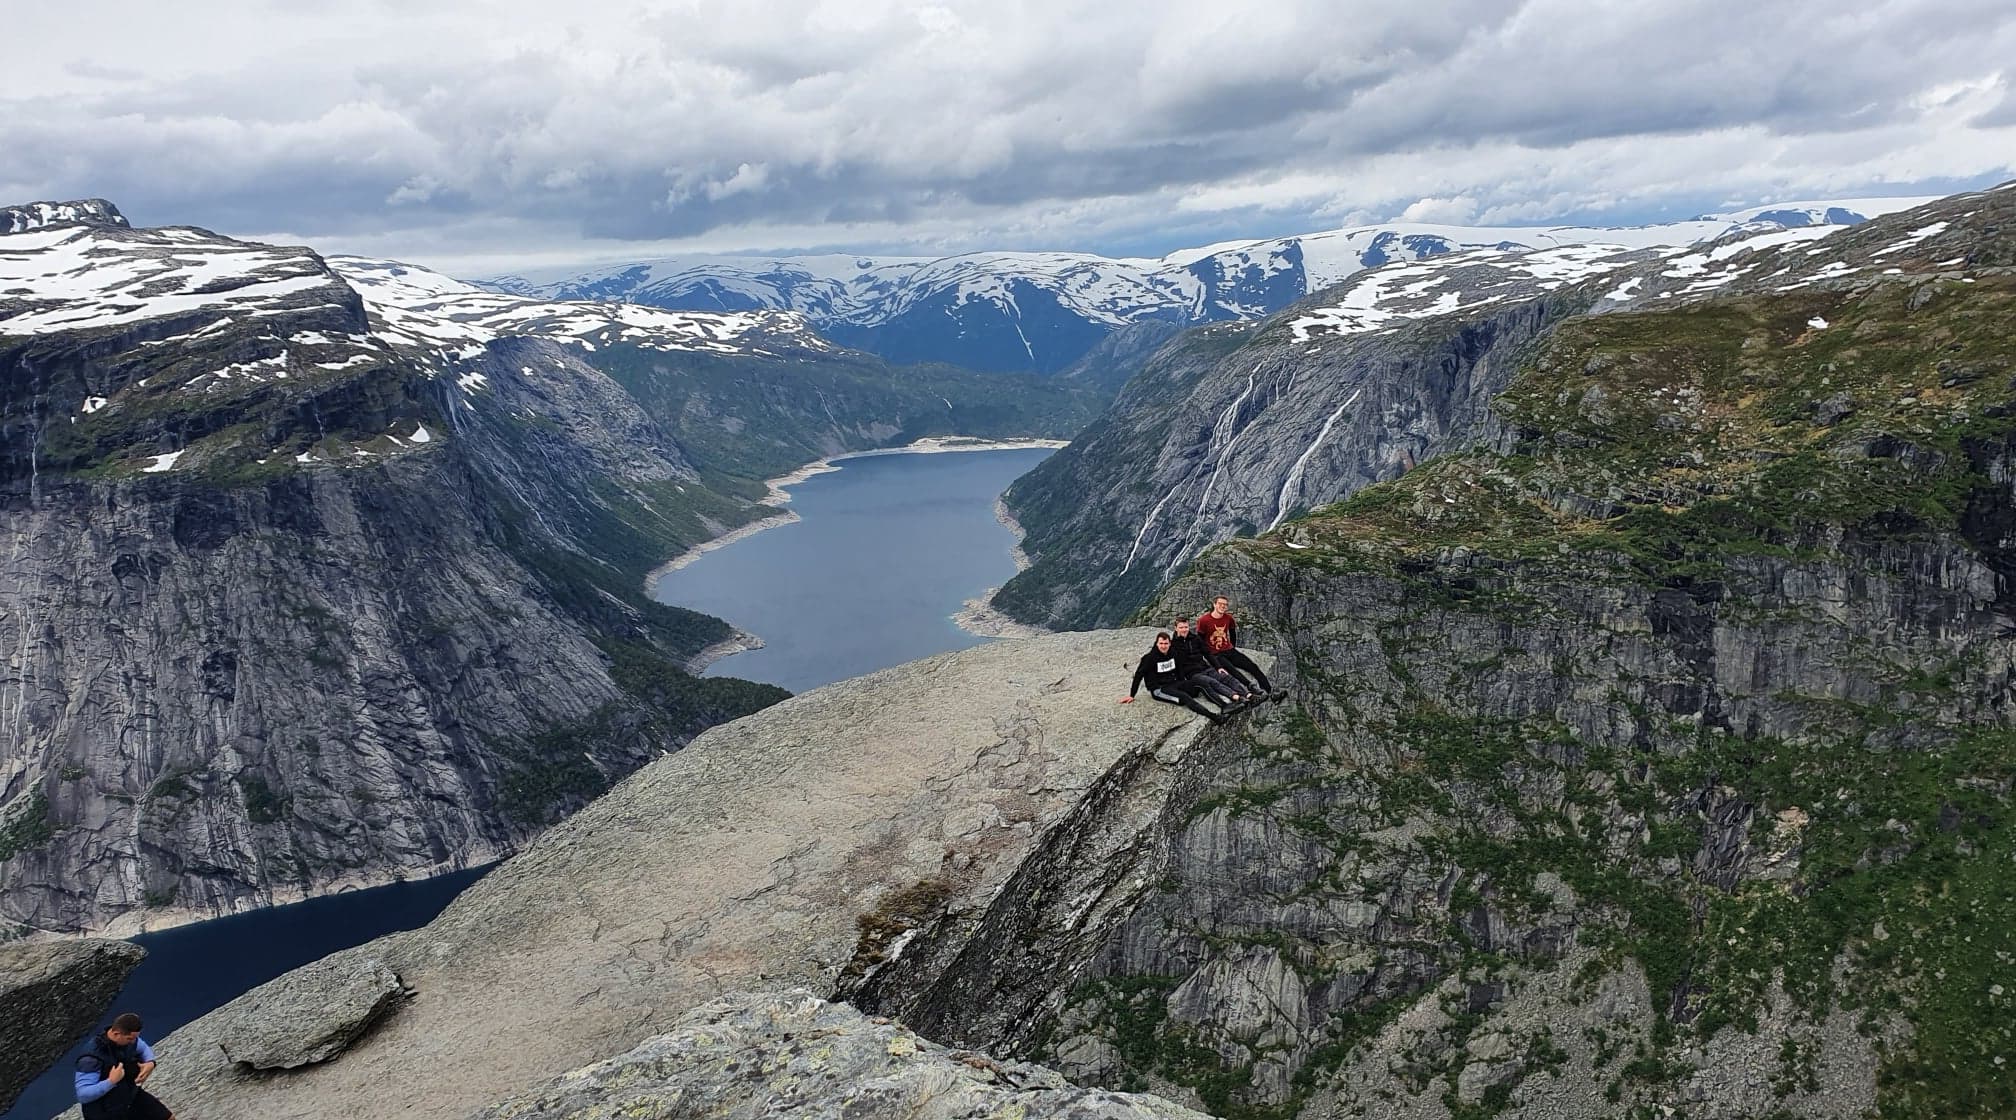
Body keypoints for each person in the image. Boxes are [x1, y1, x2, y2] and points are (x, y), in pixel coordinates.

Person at [75, 1012, 173, 1120]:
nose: (133, 1042)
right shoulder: (90, 1059)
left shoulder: (129, 1041)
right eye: (130, 1039)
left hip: (129, 1096)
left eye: (135, 1038)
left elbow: (143, 1048)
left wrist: (150, 1062)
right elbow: (83, 1095)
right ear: (116, 1034)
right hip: (104, 1111)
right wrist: (111, 1081)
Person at [1120, 632, 1227, 724]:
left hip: (1174, 683)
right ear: (1156, 644)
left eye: (1166, 643)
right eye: (1161, 643)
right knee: (1185, 697)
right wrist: (1132, 695)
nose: (1163, 646)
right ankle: (1214, 717)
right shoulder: (1149, 658)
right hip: (1159, 689)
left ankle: (1224, 706)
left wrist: (1184, 683)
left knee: (1200, 683)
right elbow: (1139, 675)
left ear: (1170, 643)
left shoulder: (1173, 653)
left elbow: (1179, 668)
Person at [1196, 595, 1285, 701]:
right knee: (1233, 671)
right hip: (1215, 654)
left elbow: (1232, 633)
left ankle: (1271, 692)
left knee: (1252, 667)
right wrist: (1207, 655)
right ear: (1214, 604)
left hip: (1229, 650)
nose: (1223, 606)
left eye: (1225, 605)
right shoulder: (1204, 620)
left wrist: (1231, 646)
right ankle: (1252, 689)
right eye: (1220, 604)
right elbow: (1199, 640)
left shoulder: (1229, 618)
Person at [1170, 618, 1252, 706]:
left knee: (1225, 677)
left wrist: (1218, 667)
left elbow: (1207, 654)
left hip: (1205, 668)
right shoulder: (1173, 644)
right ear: (1176, 628)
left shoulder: (1195, 639)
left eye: (1186, 627)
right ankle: (1237, 697)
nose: (1184, 630)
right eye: (1181, 627)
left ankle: (1249, 695)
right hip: (1192, 674)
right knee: (1212, 682)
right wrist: (1182, 679)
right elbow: (1175, 663)